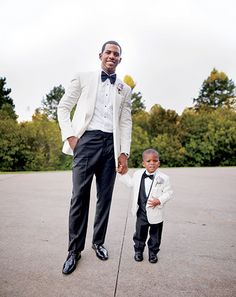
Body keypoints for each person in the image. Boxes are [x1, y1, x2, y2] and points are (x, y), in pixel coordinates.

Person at [57, 40, 132, 275]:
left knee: (105, 197)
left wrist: (123, 153)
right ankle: (74, 251)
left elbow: (125, 121)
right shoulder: (82, 77)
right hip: (86, 142)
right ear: (100, 55)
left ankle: (98, 242)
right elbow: (63, 107)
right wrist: (70, 136)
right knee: (79, 196)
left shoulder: (125, 89)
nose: (112, 56)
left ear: (120, 59)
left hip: (111, 145)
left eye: (116, 54)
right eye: (108, 52)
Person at [119, 149, 173, 263]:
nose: (152, 163)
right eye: (148, 161)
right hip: (141, 212)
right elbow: (129, 183)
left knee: (155, 235)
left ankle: (153, 253)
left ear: (159, 163)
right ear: (143, 163)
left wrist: (159, 200)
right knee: (139, 233)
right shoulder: (138, 174)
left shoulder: (164, 178)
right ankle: (138, 251)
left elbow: (169, 193)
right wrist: (122, 173)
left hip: (156, 212)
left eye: (155, 160)